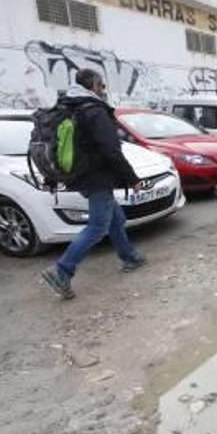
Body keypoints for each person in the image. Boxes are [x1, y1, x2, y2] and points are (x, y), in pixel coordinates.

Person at [42, 69, 145, 300]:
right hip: (96, 176)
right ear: (92, 85)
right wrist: (132, 178)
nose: (103, 89)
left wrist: (51, 176)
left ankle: (130, 257)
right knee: (98, 226)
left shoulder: (66, 107)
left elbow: (54, 145)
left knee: (116, 219)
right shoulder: (93, 110)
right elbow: (111, 149)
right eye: (101, 84)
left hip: (78, 175)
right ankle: (62, 271)